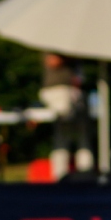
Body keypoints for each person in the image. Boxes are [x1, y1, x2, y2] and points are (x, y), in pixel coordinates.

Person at [37, 52, 92, 180]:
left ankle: (86, 172)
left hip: (76, 91)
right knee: (63, 133)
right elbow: (53, 61)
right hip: (59, 91)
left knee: (83, 134)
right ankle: (60, 175)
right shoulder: (52, 46)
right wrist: (71, 54)